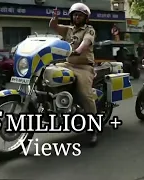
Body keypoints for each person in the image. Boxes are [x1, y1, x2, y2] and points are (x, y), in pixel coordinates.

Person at [49, 3, 98, 146]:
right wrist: (55, 18)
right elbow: (54, 27)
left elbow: (86, 42)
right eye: (75, 15)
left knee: (85, 95)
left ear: (85, 18)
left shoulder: (89, 30)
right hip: (68, 64)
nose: (77, 17)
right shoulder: (69, 30)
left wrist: (79, 50)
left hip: (84, 67)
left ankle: (93, 128)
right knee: (47, 73)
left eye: (80, 15)